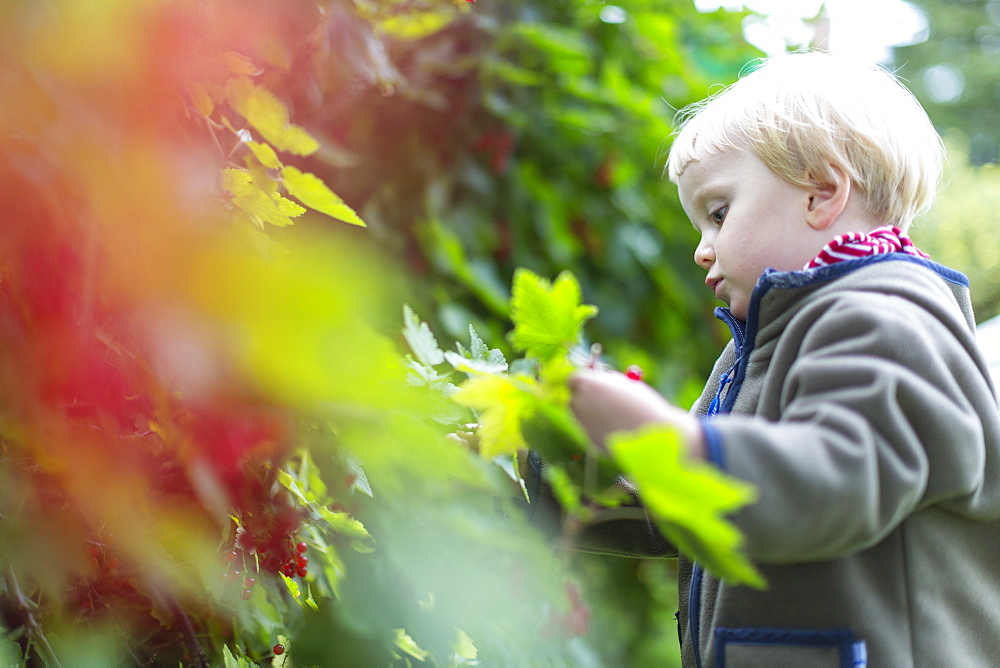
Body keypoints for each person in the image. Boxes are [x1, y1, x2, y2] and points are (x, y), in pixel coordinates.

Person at [567, 52, 1000, 667]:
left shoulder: (890, 321)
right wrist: (544, 473)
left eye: (718, 214)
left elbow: (832, 481)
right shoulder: (768, 341)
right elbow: (713, 499)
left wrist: (660, 436)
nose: (701, 250)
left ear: (823, 193)